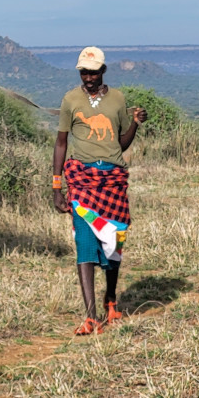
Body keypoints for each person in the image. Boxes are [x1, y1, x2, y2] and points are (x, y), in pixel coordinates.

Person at [52, 46, 148, 336]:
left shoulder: (118, 99)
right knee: (84, 243)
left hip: (112, 181)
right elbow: (61, 143)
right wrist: (57, 186)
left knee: (113, 245)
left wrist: (135, 124)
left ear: (103, 71)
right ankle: (91, 316)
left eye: (93, 72)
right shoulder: (70, 100)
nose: (89, 77)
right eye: (84, 72)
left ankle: (111, 299)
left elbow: (120, 144)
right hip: (81, 180)